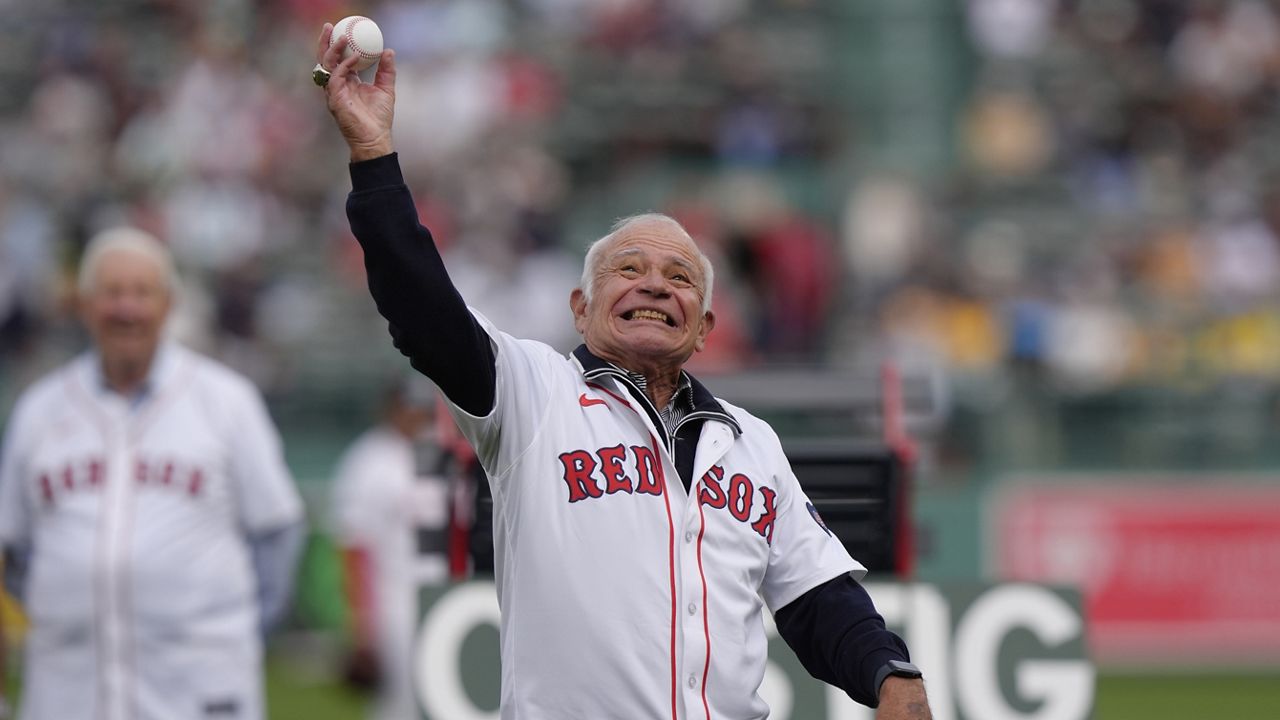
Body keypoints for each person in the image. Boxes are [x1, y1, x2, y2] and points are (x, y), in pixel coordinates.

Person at [314, 25, 933, 720]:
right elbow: (420, 307)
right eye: (628, 270)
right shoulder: (531, 396)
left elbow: (817, 595)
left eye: (679, 278)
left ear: (703, 328)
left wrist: (888, 670)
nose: (655, 285)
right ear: (581, 309)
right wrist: (373, 156)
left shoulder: (751, 444)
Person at [0, 227, 305, 720]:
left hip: (197, 690)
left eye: (142, 292)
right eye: (111, 293)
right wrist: (72, 605)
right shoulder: (39, 409)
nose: (127, 308)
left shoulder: (226, 401)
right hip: (68, 689)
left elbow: (276, 537)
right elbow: (14, 552)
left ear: (169, 304)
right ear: (83, 305)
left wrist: (226, 637)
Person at [329, 376, 452, 720]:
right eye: (408, 407)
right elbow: (355, 550)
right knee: (400, 709)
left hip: (445, 596)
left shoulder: (444, 450)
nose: (416, 415)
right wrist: (362, 628)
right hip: (394, 608)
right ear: (391, 408)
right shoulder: (368, 460)